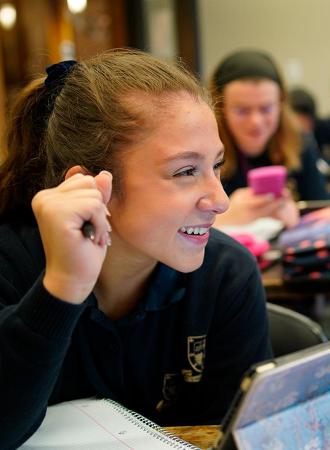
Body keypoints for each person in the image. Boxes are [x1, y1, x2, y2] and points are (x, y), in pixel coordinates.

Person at [0, 50, 272, 448]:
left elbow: (243, 437)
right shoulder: (10, 263)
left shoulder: (226, 273)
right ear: (93, 186)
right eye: (185, 172)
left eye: (216, 166)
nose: (220, 200)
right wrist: (63, 287)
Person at [210, 50, 330, 228]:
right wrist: (219, 222)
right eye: (242, 111)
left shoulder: (299, 143)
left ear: (280, 104)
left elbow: (324, 212)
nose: (255, 122)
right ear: (220, 109)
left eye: (266, 109)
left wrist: (298, 219)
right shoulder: (205, 151)